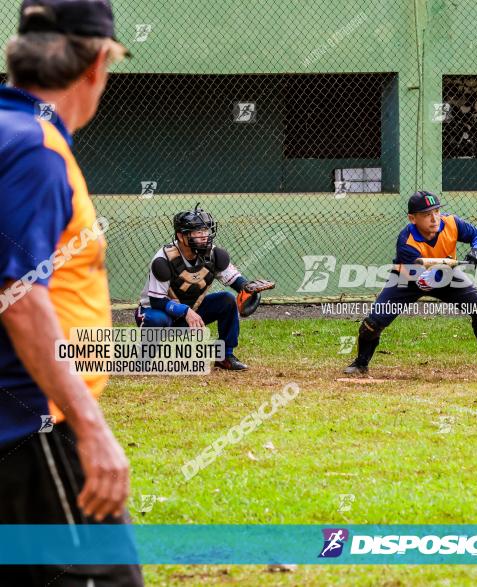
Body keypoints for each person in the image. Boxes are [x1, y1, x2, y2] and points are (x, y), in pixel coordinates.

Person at [0, 0, 143, 584]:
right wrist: (91, 426)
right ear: (96, 65)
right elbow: (19, 295)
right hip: (31, 428)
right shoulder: (35, 149)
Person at [343, 191, 477, 378]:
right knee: (372, 324)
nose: (434, 218)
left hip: (447, 274)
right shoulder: (406, 241)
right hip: (408, 279)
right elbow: (421, 277)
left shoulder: (452, 223)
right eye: (426, 214)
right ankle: (361, 363)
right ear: (412, 218)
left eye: (436, 211)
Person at [134, 204, 275, 371]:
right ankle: (143, 359)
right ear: (181, 236)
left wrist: (248, 290)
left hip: (193, 313)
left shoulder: (214, 254)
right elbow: (157, 301)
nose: (204, 236)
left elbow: (236, 280)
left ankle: (225, 356)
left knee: (227, 300)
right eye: (198, 232)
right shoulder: (163, 259)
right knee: (157, 319)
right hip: (156, 312)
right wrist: (185, 311)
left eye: (206, 231)